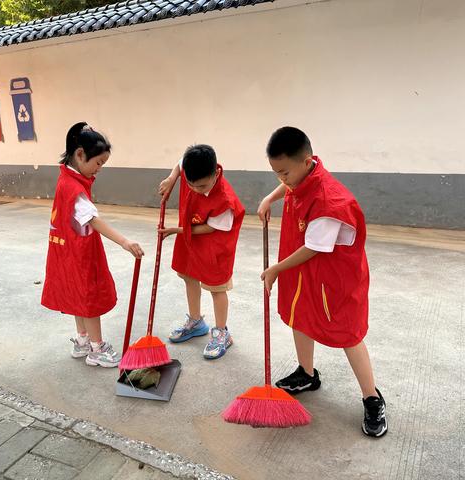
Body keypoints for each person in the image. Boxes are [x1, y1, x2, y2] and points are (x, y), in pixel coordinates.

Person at [258, 126, 387, 437]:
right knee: (299, 316)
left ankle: (372, 398)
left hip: (334, 280)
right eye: (276, 173)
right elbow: (289, 188)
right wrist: (269, 198)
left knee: (347, 333)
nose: (282, 179)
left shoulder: (330, 201)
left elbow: (314, 247)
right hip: (305, 272)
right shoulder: (301, 175)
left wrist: (276, 269)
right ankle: (306, 373)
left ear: (305, 162)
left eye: (284, 172)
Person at [41, 122, 144, 368]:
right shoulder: (74, 188)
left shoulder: (65, 177)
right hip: (79, 252)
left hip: (64, 251)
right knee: (89, 298)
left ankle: (82, 340)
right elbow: (93, 220)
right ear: (80, 154)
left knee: (77, 295)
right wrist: (125, 241)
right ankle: (97, 349)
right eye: (98, 163)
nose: (99, 170)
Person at [158, 144, 244, 359]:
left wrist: (178, 230)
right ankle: (196, 321)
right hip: (191, 239)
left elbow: (211, 227)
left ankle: (222, 333)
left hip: (214, 244)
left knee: (217, 287)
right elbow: (180, 163)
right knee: (189, 276)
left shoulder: (224, 199)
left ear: (215, 173)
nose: (196, 190)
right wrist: (171, 179)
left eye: (202, 186)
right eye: (191, 185)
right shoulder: (193, 171)